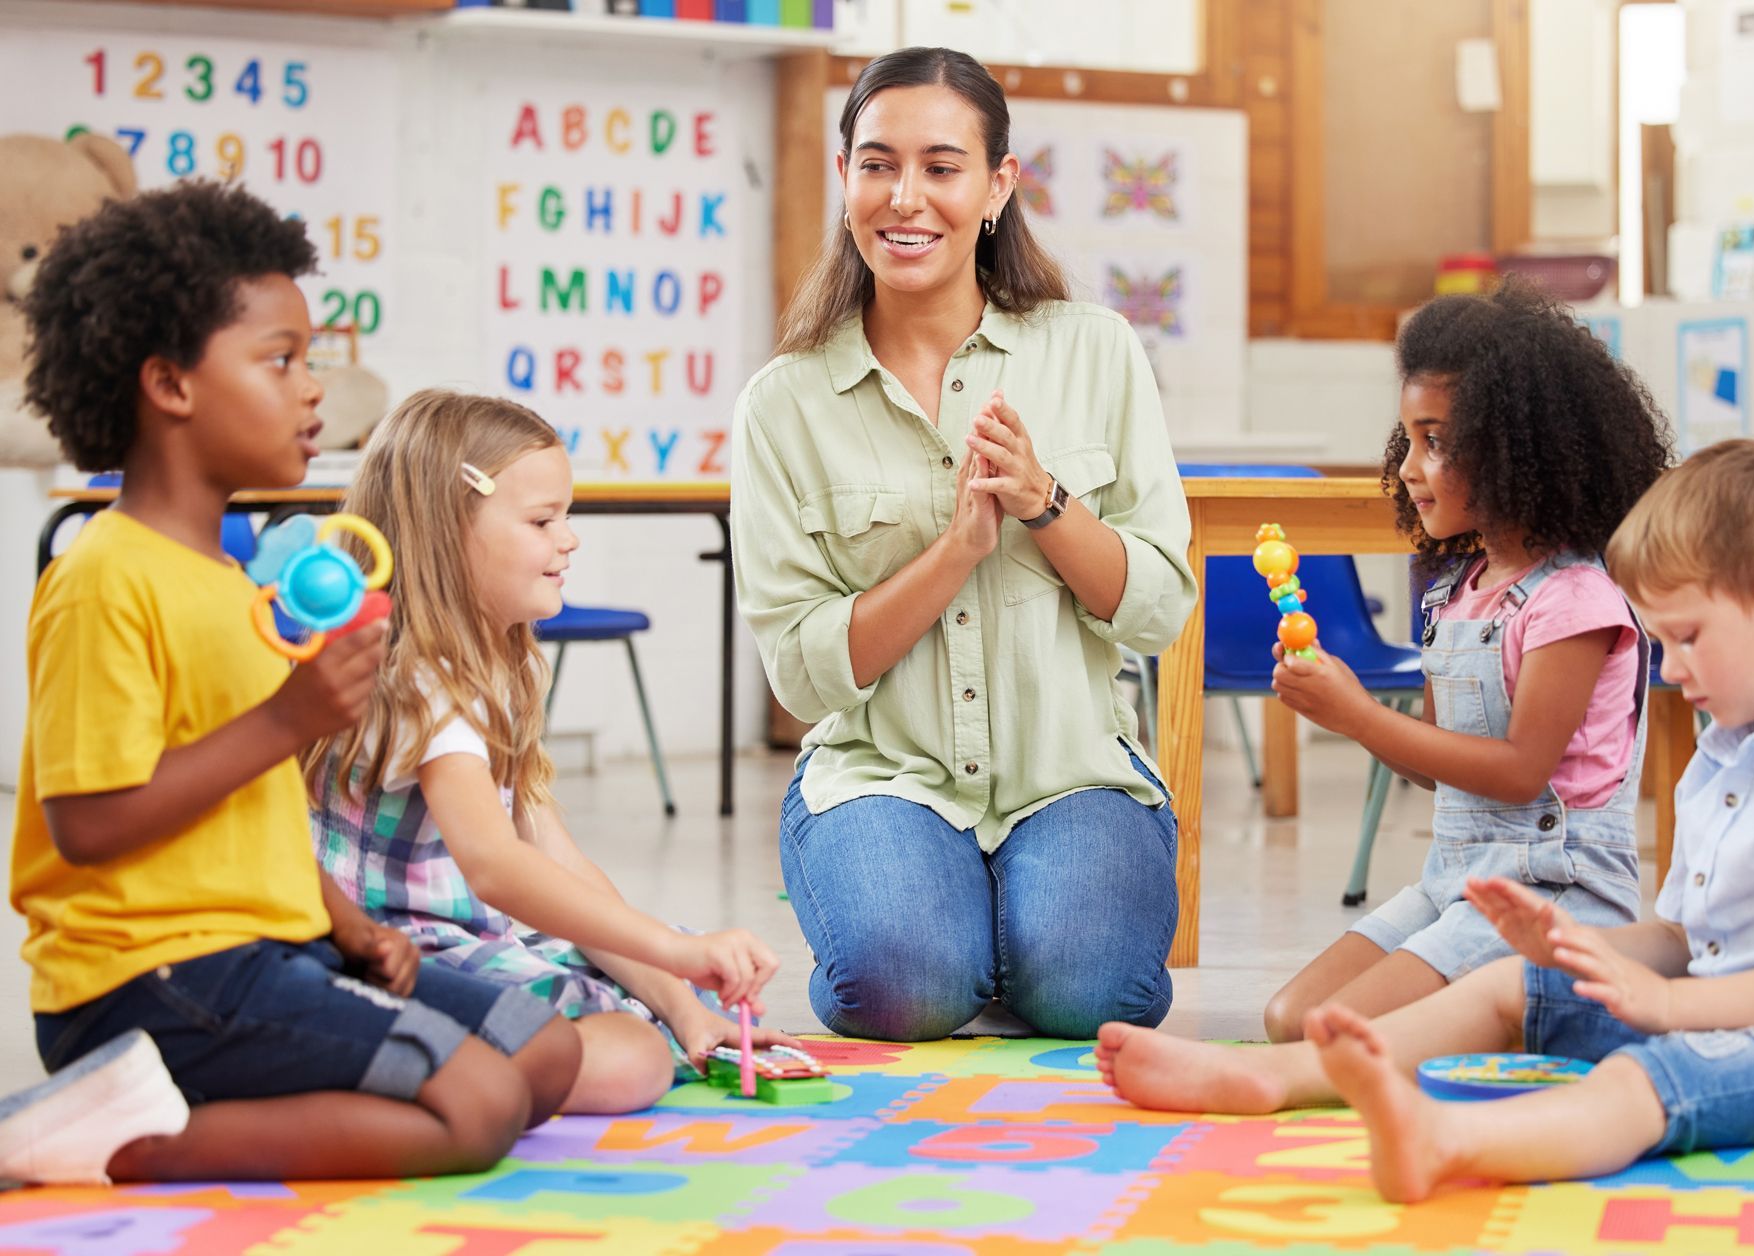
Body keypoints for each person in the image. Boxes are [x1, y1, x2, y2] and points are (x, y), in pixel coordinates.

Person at [1095, 439, 1754, 1203]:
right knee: (1505, 987)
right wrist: (1569, 950)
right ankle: (1278, 1078)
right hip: (1724, 999)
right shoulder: (1734, 739)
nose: (1671, 670)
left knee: (1646, 1077)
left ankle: (1450, 1140)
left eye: (1688, 639)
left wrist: (1668, 1010)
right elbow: (1682, 937)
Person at [3, 183, 580, 1185]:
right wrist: (290, 717)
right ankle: (97, 1134)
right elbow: (89, 822)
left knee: (545, 1047)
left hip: (267, 950)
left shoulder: (232, 583)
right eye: (281, 360)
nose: (314, 388)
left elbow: (244, 810)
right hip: (147, 979)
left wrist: (347, 923)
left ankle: (208, 1095)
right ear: (170, 386)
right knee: (480, 1102)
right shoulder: (102, 578)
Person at [731, 46, 1197, 1042]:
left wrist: (1043, 502)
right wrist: (953, 551)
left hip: (1071, 771)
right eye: (876, 164)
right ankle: (949, 932)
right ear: (846, 179)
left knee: (1088, 996)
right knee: (904, 991)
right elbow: (805, 678)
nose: (907, 197)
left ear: (997, 187)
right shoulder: (784, 403)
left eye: (942, 167)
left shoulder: (1096, 349)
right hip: (881, 776)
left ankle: (1009, 933)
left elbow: (1158, 606)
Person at [307, 389, 788, 1114]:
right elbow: (496, 868)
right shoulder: (420, 679)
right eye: (543, 520)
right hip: (397, 953)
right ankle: (394, 1063)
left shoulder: (498, 661)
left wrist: (682, 1001)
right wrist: (676, 961)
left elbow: (557, 859)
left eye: (567, 516)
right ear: (448, 529)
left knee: (666, 981)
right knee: (631, 1057)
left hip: (467, 931)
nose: (570, 539)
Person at [1259, 282, 1673, 1041]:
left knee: (1331, 1035)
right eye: (1408, 439)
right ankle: (1495, 1018)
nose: (1411, 467)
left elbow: (1519, 772)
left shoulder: (1575, 599)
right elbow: (1435, 766)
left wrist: (1360, 712)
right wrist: (1343, 710)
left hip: (1552, 892)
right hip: (1454, 882)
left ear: (1518, 448)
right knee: (1290, 1019)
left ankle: (1549, 1001)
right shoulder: (1458, 590)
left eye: (1437, 440)